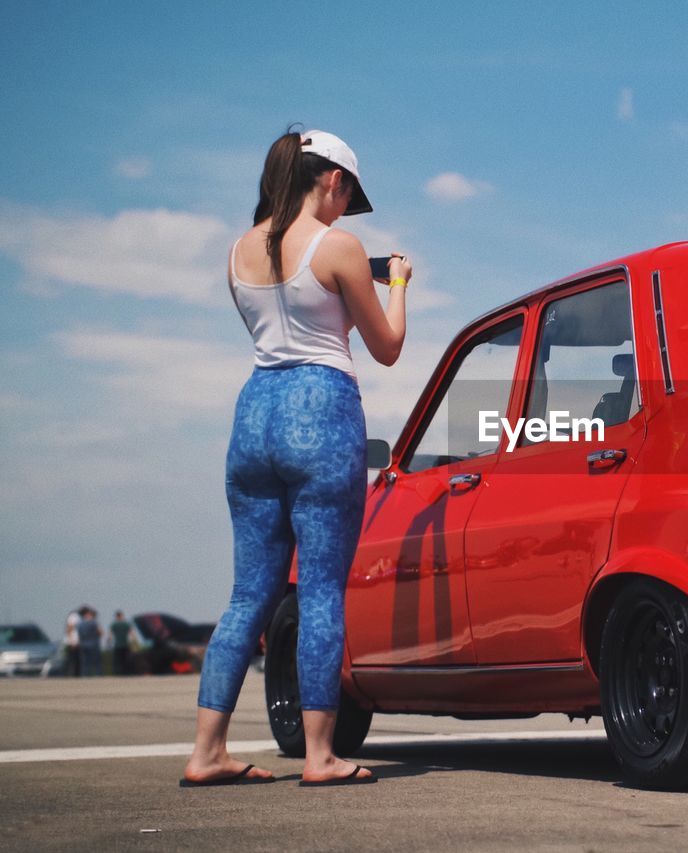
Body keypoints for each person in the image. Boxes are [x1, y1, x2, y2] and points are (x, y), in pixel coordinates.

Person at [183, 128, 409, 787]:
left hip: (254, 414)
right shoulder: (338, 245)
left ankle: (206, 751)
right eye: (347, 195)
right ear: (332, 180)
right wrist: (396, 283)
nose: (346, 209)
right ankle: (320, 755)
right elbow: (387, 345)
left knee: (247, 593)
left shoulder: (238, 249)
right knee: (319, 592)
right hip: (321, 407)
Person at [76, 607, 104, 677]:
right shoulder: (94, 622)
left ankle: (84, 675)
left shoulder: (80, 624)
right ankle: (98, 675)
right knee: (96, 661)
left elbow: (79, 635)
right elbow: (100, 632)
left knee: (85, 662)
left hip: (83, 644)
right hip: (93, 644)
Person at [109, 610, 135, 675]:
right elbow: (132, 634)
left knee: (118, 661)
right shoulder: (126, 624)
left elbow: (110, 636)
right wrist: (134, 643)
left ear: (116, 617)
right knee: (126, 660)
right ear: (122, 616)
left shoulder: (113, 624)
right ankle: (127, 673)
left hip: (117, 645)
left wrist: (108, 643)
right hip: (126, 644)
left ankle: (118, 673)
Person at [63, 608, 81, 677]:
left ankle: (73, 674)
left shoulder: (74, 616)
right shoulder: (74, 617)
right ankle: (70, 674)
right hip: (73, 643)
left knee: (74, 660)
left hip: (74, 642)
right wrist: (72, 641)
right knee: (72, 660)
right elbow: (69, 629)